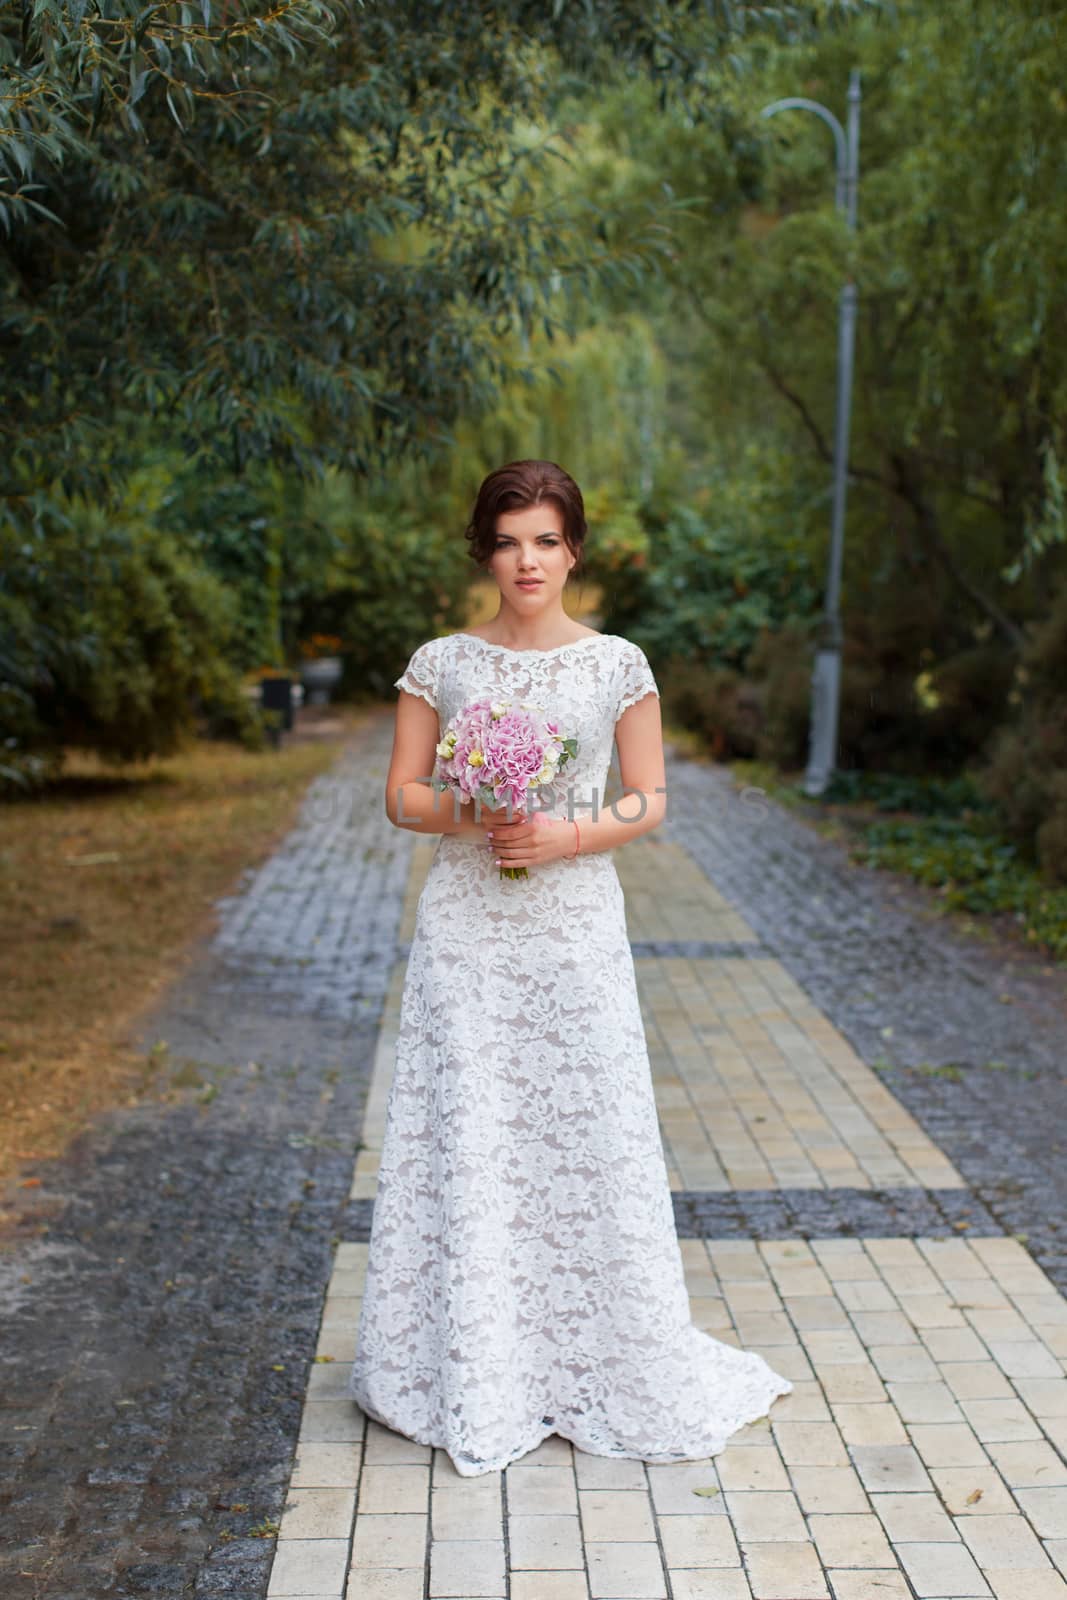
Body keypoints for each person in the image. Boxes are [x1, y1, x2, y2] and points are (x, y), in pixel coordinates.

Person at [347, 459, 792, 1475]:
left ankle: (592, 1359)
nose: (526, 560)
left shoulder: (615, 665)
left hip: (573, 927)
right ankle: (470, 1362)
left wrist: (565, 836)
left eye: (545, 540)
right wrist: (481, 811)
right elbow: (399, 797)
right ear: (485, 553)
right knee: (472, 1125)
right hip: (467, 932)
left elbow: (648, 798)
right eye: (507, 542)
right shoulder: (440, 662)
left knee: (581, 1130)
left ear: (573, 550)